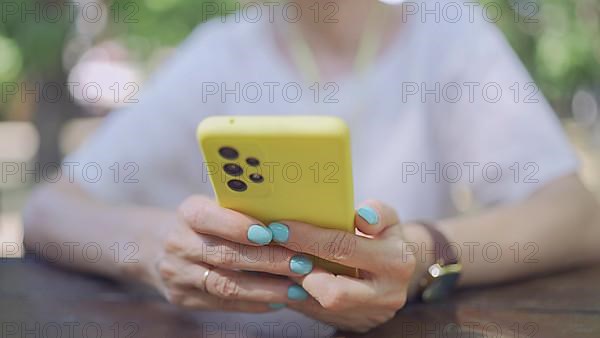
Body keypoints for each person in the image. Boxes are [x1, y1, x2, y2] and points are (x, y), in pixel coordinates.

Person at [23, 0, 600, 334]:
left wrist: (421, 253)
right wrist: (158, 249)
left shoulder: (449, 34)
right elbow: (49, 209)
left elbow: (576, 216)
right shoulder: (219, 52)